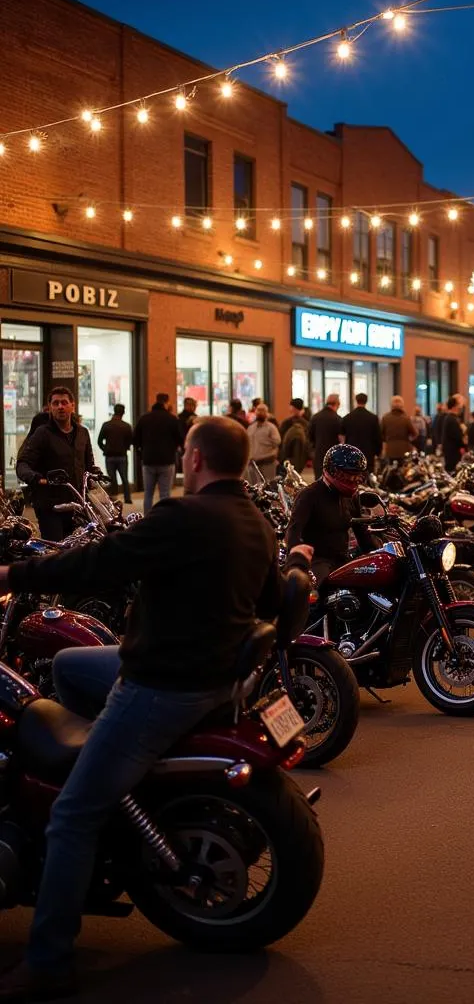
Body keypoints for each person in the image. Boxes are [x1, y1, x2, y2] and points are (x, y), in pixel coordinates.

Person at [0, 417, 314, 1000]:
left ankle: (48, 959)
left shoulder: (182, 517)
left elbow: (101, 564)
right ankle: (106, 767)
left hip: (164, 682)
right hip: (214, 670)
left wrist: (14, 572)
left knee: (72, 814)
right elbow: (271, 599)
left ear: (193, 459)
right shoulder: (252, 521)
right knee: (69, 664)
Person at [286, 444, 374, 588]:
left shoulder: (352, 497)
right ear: (330, 471)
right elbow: (293, 532)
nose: (352, 480)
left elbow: (361, 532)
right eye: (346, 475)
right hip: (317, 560)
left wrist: (375, 554)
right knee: (323, 592)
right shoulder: (309, 495)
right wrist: (299, 563)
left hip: (342, 559)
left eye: (356, 475)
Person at [16, 387, 95, 541]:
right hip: (50, 507)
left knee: (78, 551)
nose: (60, 406)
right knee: (56, 553)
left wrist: (95, 476)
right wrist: (36, 478)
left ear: (73, 405)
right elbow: (22, 464)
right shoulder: (42, 434)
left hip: (77, 505)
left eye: (64, 402)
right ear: (50, 407)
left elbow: (89, 465)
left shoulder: (82, 433)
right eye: (56, 403)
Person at [133, 393, 182, 515]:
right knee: (165, 494)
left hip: (148, 461)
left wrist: (141, 454)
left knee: (148, 494)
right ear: (166, 402)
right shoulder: (172, 419)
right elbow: (180, 439)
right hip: (167, 461)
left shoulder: (144, 419)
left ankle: (147, 518)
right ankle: (163, 519)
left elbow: (135, 440)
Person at [97, 404, 133, 504]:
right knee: (124, 478)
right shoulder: (126, 426)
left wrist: (105, 449)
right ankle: (127, 498)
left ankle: (113, 498)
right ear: (123, 413)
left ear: (114, 411)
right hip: (122, 456)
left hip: (109, 456)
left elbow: (99, 441)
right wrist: (125, 448)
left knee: (111, 479)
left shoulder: (106, 425)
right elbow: (130, 441)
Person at [339, 393, 383, 475]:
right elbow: (378, 437)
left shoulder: (347, 417)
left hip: (352, 451)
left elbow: (342, 436)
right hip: (368, 452)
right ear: (366, 401)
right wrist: (378, 452)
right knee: (367, 476)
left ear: (356, 401)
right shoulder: (373, 418)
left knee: (352, 475)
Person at [309, 394, 345, 480]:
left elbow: (310, 437)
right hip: (333, 457)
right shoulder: (338, 419)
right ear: (337, 404)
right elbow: (342, 441)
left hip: (318, 455)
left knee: (319, 481)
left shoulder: (315, 417)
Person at [247, 403, 281, 482]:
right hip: (253, 465)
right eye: (258, 410)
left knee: (268, 486)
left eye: (262, 410)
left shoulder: (271, 428)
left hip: (267, 464)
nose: (260, 412)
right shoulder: (251, 428)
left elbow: (277, 444)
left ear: (267, 413)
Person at [279, 399, 310, 475]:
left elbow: (281, 439)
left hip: (288, 456)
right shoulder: (306, 423)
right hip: (302, 457)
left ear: (293, 408)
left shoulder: (286, 423)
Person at [441, 395, 466, 472]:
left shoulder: (450, 418)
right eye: (460, 405)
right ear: (454, 406)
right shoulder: (452, 419)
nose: (461, 407)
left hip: (450, 451)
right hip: (453, 452)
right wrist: (463, 445)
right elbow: (457, 436)